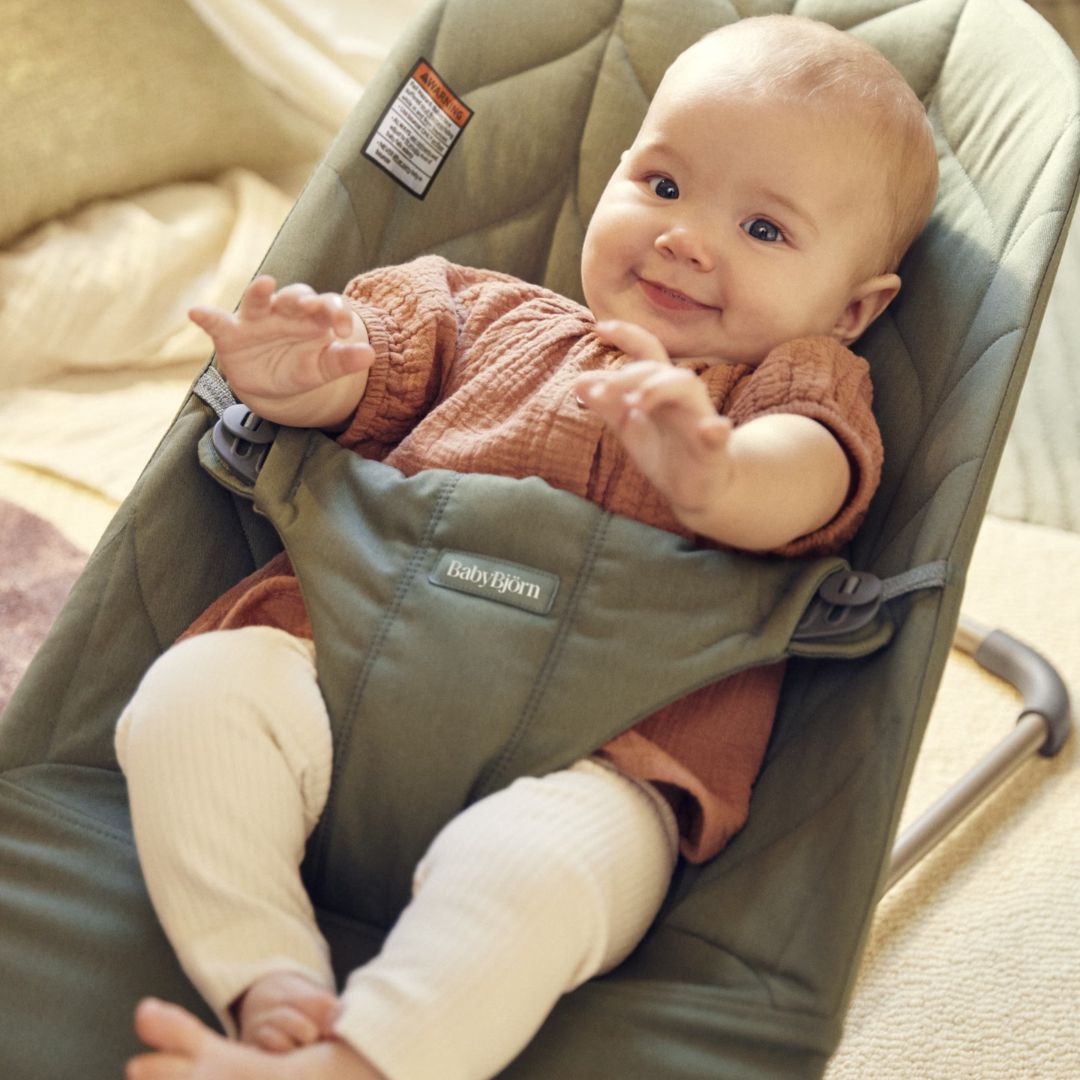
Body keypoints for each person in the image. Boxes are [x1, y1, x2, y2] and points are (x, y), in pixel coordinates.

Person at [118, 13, 938, 1080]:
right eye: (665, 184)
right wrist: (303, 376)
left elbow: (812, 474)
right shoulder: (485, 315)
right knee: (190, 701)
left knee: (542, 879)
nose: (686, 238)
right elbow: (368, 372)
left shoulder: (789, 389)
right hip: (340, 674)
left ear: (854, 308)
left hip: (603, 756)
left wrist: (718, 473)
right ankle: (270, 977)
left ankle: (360, 1063)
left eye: (766, 231)